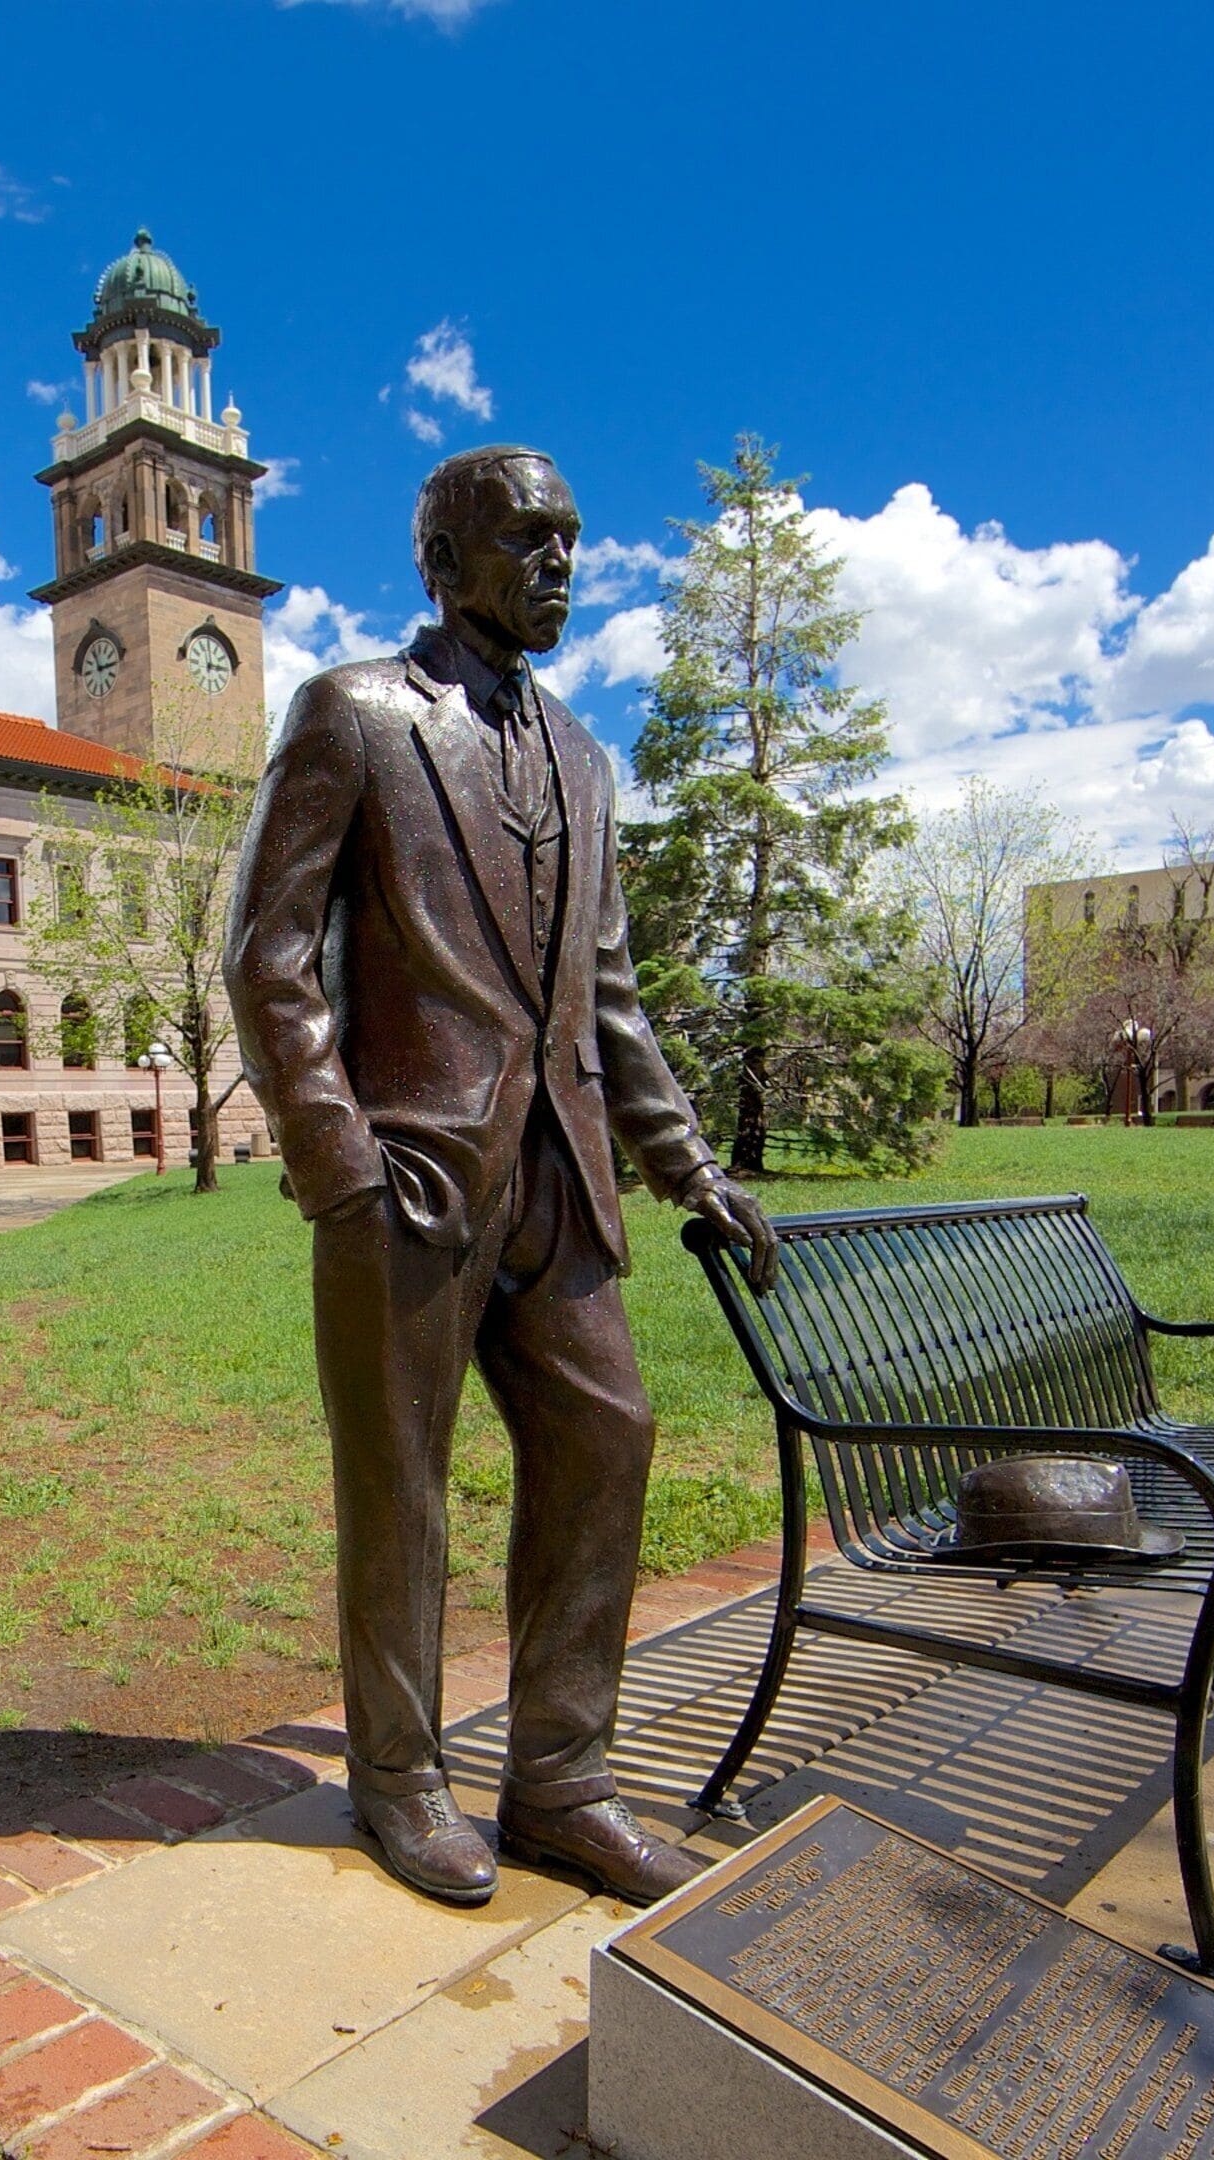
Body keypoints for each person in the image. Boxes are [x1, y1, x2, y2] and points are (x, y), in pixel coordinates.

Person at [225, 444, 778, 1909]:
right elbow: (268, 957)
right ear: (443, 560)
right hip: (408, 1180)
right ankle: (399, 1782)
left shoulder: (586, 759)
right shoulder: (351, 715)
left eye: (572, 540)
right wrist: (338, 1162)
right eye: (529, 539)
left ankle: (561, 1783)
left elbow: (607, 996)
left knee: (609, 1442)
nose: (561, 565)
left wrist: (689, 1166)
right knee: (400, 1487)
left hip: (561, 1182)